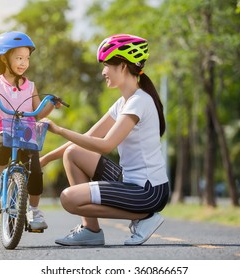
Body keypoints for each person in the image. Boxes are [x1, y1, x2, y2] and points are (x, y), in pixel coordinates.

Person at [40, 34, 170, 246]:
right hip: (130, 181)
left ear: (124, 66)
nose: (103, 71)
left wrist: (60, 130)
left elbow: (106, 145)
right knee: (72, 153)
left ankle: (144, 217)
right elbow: (88, 137)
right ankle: (91, 230)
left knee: (69, 198)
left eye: (107, 65)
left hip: (148, 191)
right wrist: (45, 159)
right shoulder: (123, 103)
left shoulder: (139, 102)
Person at [0, 31, 59, 230]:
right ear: (4, 58)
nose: (23, 63)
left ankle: (34, 211)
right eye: (18, 58)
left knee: (35, 171)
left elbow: (37, 114)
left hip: (26, 134)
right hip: (2, 130)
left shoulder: (31, 86)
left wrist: (52, 104)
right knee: (4, 143)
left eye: (26, 58)